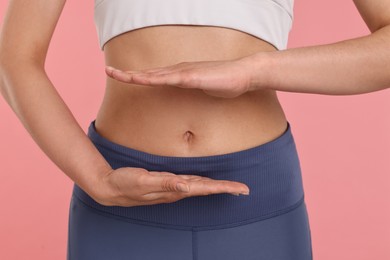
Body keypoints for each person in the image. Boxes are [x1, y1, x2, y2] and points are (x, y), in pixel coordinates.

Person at [0, 0, 389, 259]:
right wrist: (98, 178)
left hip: (256, 202)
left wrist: (257, 71)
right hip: (119, 199)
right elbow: (15, 58)